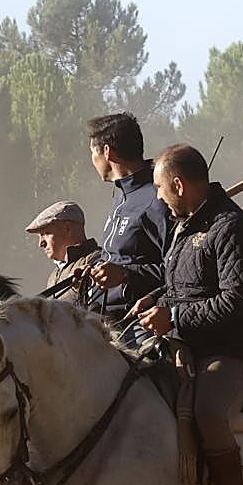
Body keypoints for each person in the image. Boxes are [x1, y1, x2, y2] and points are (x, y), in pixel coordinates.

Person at [129, 144, 243, 485]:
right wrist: (156, 301)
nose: (159, 197)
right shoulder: (183, 226)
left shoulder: (232, 227)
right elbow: (183, 288)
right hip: (181, 346)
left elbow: (237, 303)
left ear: (179, 184)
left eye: (160, 188)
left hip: (225, 352)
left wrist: (173, 316)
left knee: (208, 413)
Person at [85, 112, 170, 338]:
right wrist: (91, 272)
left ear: (107, 151)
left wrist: (125, 275)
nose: (92, 161)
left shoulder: (158, 199)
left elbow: (178, 269)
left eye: (92, 152)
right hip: (101, 318)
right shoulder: (121, 197)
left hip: (140, 323)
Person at [25, 200, 101, 305]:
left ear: (68, 228)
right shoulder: (52, 277)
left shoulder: (98, 261)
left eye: (46, 233)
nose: (41, 243)